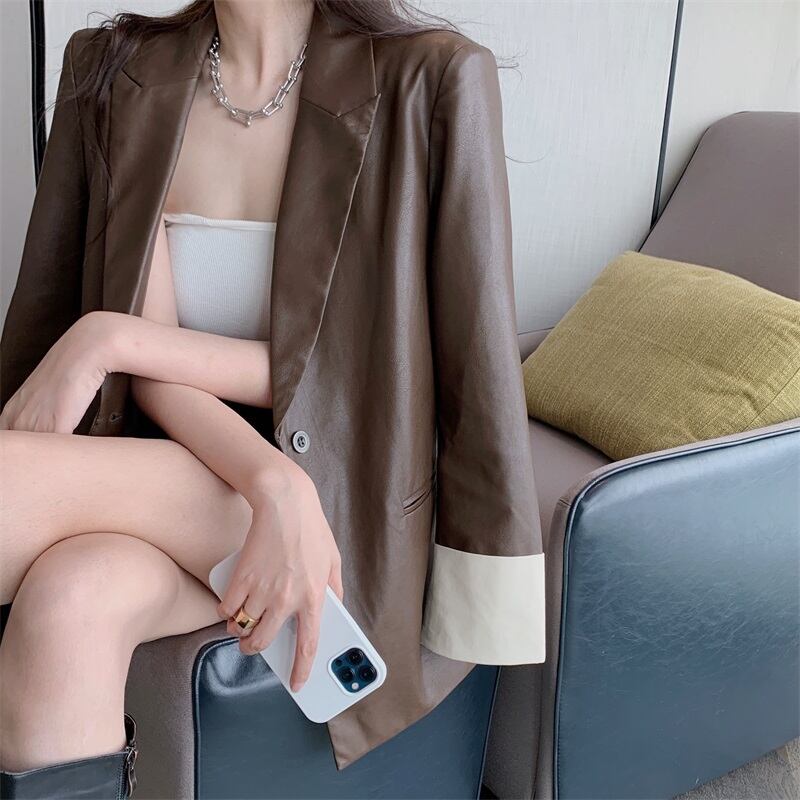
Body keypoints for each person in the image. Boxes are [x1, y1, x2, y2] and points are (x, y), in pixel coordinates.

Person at [0, 0, 545, 796]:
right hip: (189, 469)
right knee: (70, 604)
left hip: (336, 498)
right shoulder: (118, 71)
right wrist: (265, 477)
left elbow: (411, 363)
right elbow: (155, 362)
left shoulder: (429, 77)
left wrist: (106, 339)